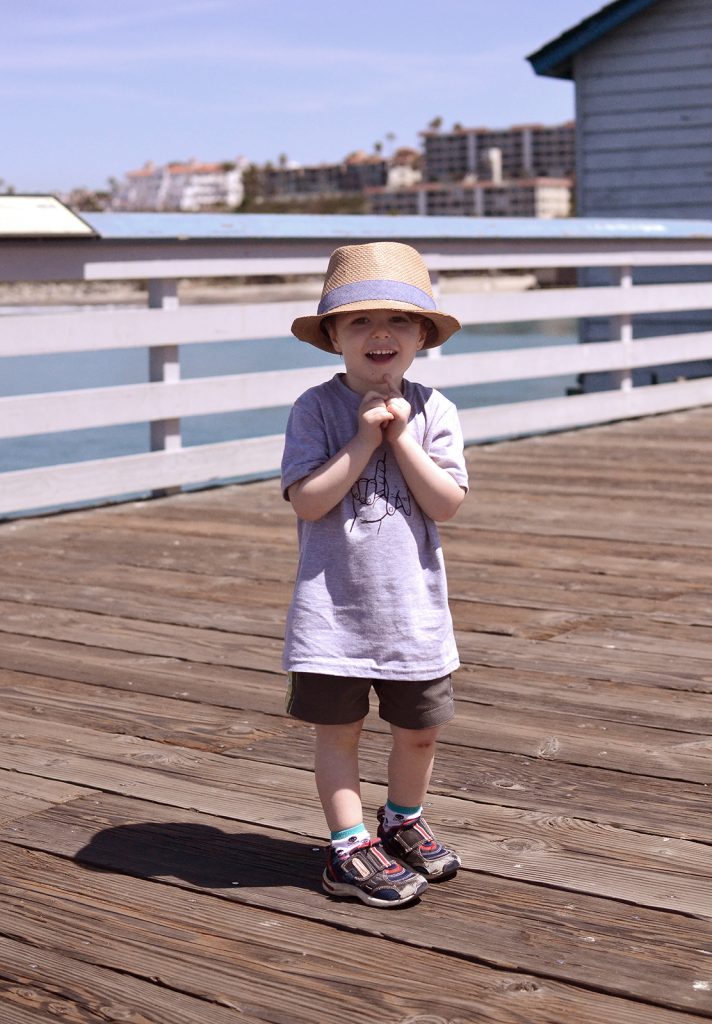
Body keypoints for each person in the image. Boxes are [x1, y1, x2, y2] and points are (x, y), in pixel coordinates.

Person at [281, 241, 469, 908]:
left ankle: (402, 819)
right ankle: (348, 845)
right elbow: (308, 501)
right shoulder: (315, 410)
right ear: (333, 335)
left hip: (413, 610)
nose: (380, 334)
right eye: (359, 321)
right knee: (340, 731)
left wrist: (402, 437)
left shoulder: (436, 410)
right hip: (332, 613)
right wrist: (363, 437)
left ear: (422, 334)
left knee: (419, 729)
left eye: (398, 320)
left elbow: (446, 502)